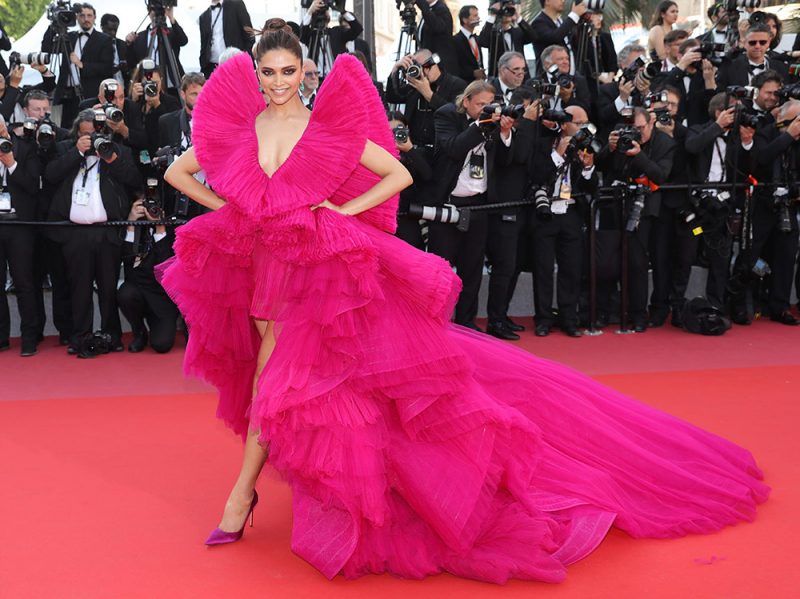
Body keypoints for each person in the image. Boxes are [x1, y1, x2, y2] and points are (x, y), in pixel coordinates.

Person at [157, 18, 768, 584]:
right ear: (256, 74)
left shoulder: (324, 128)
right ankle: (312, 487)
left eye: (290, 71)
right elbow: (179, 174)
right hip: (266, 263)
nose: (279, 82)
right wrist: (238, 210)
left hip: (317, 271)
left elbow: (396, 173)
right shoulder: (243, 126)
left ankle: (241, 496)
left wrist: (337, 211)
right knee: (288, 380)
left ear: (305, 74)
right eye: (269, 72)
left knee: (277, 379)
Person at [45, 109, 141, 354]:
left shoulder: (117, 152)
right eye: (85, 134)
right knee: (80, 289)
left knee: (108, 288)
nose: (91, 139)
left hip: (107, 232)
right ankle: (80, 336)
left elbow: (134, 180)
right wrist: (77, 152)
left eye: (95, 134)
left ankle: (112, 335)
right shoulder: (65, 150)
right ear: (77, 133)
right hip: (75, 234)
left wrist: (111, 159)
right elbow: (50, 175)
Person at [0, 114, 41, 356]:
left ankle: (29, 337)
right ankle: (2, 336)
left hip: (20, 224)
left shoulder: (25, 148)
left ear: (6, 127)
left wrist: (11, 163)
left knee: (24, 282)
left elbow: (33, 185)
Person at [118, 194, 179, 352]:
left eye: (155, 207)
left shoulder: (173, 230)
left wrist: (160, 228)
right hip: (139, 290)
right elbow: (127, 262)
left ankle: (156, 326)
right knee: (126, 292)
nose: (151, 211)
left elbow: (166, 268)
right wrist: (131, 223)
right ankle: (139, 332)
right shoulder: (136, 229)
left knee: (162, 345)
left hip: (162, 299)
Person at [125, 4, 188, 93]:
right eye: (154, 9)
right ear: (149, 11)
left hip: (171, 84)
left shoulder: (171, 32)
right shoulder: (140, 36)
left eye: (160, 8)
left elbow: (183, 41)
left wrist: (171, 18)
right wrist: (129, 45)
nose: (157, 12)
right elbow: (132, 62)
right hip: (147, 83)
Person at [199, 0, 254, 79]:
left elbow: (250, 35)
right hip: (212, 68)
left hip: (236, 65)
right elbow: (203, 46)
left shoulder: (236, 5)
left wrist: (244, 60)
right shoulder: (203, 16)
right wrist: (203, 69)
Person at [529, 0, 588, 75]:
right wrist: (574, 15)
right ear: (547, 1)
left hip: (571, 74)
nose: (563, 1)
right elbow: (555, 37)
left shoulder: (561, 22)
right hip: (550, 78)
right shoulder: (538, 23)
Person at [414, 0, 458, 74]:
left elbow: (437, 27)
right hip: (427, 62)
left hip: (439, 64)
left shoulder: (441, 8)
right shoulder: (428, 10)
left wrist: (423, 7)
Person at [453, 5, 486, 83]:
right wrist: (472, 73)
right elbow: (455, 67)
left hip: (479, 83)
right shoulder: (455, 40)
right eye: (475, 15)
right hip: (464, 84)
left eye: (478, 15)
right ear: (465, 20)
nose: (478, 18)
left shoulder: (476, 38)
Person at [100, 13, 129, 89]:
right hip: (104, 86)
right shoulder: (96, 45)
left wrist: (125, 67)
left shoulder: (123, 44)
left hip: (123, 87)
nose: (113, 33)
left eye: (115, 30)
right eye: (109, 30)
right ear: (102, 27)